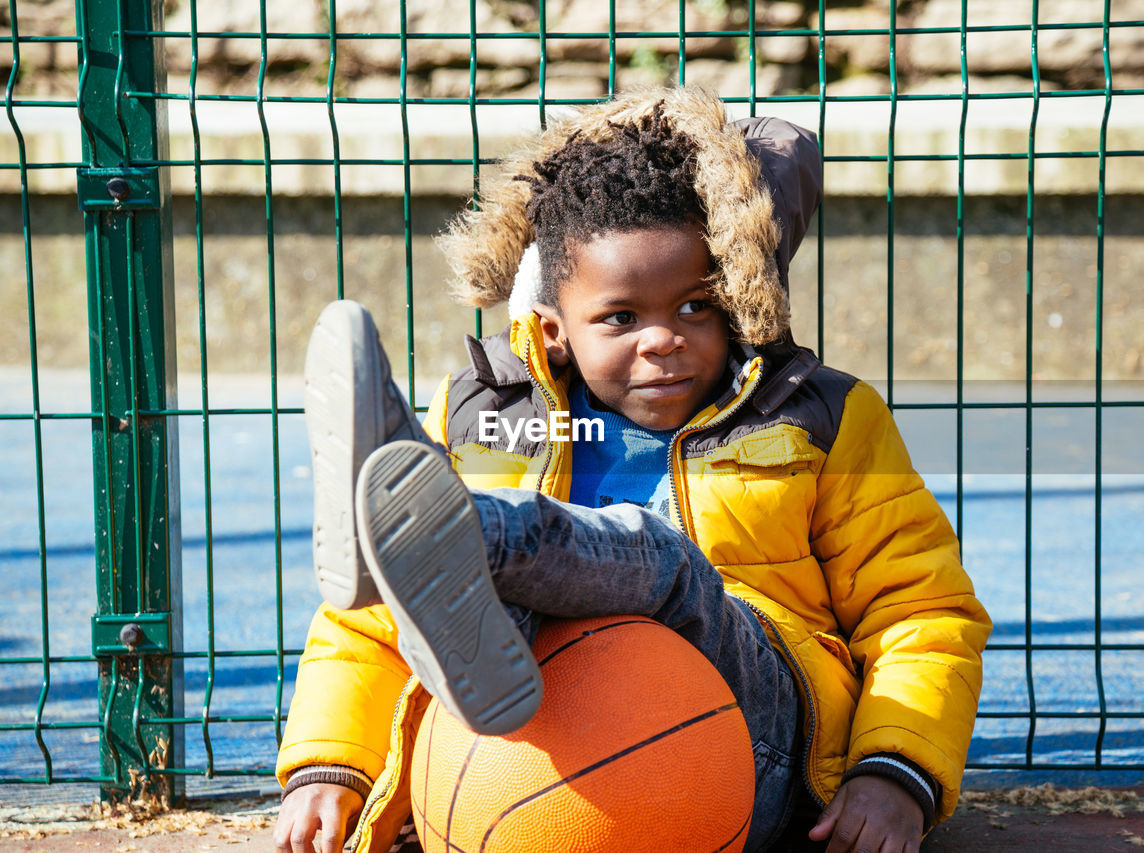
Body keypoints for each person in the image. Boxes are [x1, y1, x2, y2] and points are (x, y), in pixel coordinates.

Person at [273, 87, 991, 853]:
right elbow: (367, 627)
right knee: (446, 594)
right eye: (621, 317)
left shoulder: (816, 417)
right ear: (552, 329)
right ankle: (468, 553)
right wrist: (330, 768)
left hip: (751, 746)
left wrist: (895, 771)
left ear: (736, 298)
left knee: (662, 560)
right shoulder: (486, 415)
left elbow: (919, 612)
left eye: (694, 307)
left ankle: (473, 536)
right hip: (537, 773)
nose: (663, 340)